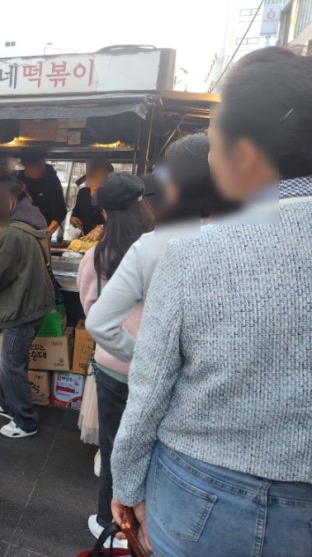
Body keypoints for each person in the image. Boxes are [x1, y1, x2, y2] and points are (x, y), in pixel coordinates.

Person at [110, 47, 312, 557]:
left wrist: (127, 484)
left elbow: (150, 389)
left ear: (244, 154)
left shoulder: (193, 252)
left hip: (198, 494)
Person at [86, 133, 235, 363]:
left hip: (163, 377)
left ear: (175, 187)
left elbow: (99, 324)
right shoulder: (254, 241)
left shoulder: (152, 245)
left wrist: (145, 357)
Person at [75, 173, 154, 546]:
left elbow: (91, 309)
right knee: (148, 448)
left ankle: (108, 520)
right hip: (153, 366)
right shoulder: (160, 249)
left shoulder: (98, 255)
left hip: (111, 365)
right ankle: (144, 526)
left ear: (105, 212)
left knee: (113, 447)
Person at [0, 176, 55, 438]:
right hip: (35, 302)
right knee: (13, 359)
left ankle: (25, 420)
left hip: (20, 306)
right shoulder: (35, 221)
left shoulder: (12, 232)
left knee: (12, 364)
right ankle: (8, 405)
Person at [17, 151, 67, 237]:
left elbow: (59, 211)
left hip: (43, 231)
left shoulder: (51, 181)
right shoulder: (18, 180)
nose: (34, 170)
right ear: (25, 166)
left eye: (38, 166)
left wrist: (46, 234)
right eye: (30, 167)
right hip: (19, 232)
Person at [70, 160, 114, 235]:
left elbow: (116, 222)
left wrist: (101, 229)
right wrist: (73, 219)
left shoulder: (111, 196)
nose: (98, 180)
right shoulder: (83, 193)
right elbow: (75, 213)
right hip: (85, 238)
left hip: (104, 240)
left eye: (102, 178)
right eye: (95, 177)